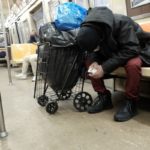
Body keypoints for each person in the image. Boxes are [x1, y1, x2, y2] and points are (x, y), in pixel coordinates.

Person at [76, 7, 150, 122]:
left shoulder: (122, 22)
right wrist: (95, 60)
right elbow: (92, 51)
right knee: (89, 62)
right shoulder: (92, 28)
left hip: (137, 49)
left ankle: (131, 102)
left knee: (133, 64)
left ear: (100, 37)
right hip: (114, 51)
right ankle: (104, 97)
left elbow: (131, 49)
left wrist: (104, 68)